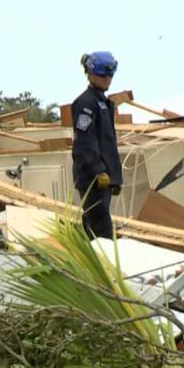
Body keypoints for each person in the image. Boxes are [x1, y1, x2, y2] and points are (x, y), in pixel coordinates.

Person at [71, 51, 122, 239]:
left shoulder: (103, 103)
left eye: (111, 75)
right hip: (93, 180)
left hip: (104, 180)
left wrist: (114, 177)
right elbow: (84, 144)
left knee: (98, 228)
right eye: (103, 75)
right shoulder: (86, 103)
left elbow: (107, 144)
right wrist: (98, 171)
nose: (108, 79)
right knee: (101, 234)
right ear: (90, 74)